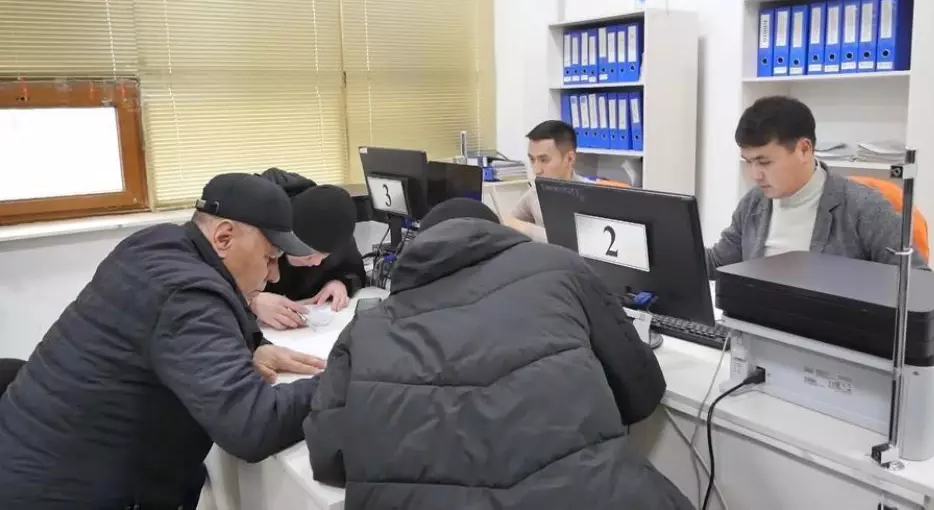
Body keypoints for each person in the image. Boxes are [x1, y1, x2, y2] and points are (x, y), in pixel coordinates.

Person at [304, 197, 694, 510]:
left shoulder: (367, 327)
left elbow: (329, 454)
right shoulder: (562, 268)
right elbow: (641, 391)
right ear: (498, 234)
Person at [0, 173, 328, 510]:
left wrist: (252, 346)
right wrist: (340, 377)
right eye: (270, 258)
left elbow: (172, 330)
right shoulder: (187, 294)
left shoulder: (155, 244)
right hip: (67, 495)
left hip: (29, 456)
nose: (274, 274)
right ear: (223, 237)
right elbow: (252, 425)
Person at [706, 95, 929, 277]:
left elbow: (919, 283)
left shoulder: (865, 208)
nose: (755, 175)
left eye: (764, 162)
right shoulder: (753, 202)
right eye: (748, 162)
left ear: (804, 149)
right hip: (758, 317)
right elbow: (718, 262)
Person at [250, 168, 366, 329]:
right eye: (309, 256)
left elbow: (353, 269)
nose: (317, 263)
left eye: (324, 257)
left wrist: (340, 283)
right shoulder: (252, 230)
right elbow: (218, 284)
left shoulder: (330, 220)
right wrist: (251, 301)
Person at [504, 120, 591, 242]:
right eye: (532, 160)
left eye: (544, 160)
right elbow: (508, 221)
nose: (536, 170)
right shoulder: (536, 191)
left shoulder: (591, 196)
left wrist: (527, 229)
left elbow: (576, 244)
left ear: (569, 159)